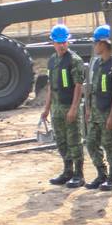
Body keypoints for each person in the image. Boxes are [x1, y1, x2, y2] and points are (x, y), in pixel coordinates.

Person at [40, 24, 85, 189]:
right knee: (61, 140)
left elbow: (78, 86)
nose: (62, 45)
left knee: (74, 140)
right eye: (59, 42)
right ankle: (68, 171)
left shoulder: (74, 61)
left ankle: (79, 174)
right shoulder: (52, 60)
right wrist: (46, 108)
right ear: (53, 43)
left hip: (69, 105)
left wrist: (74, 108)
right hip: (56, 107)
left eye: (64, 42)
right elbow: (51, 86)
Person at [84, 25, 112, 191]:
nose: (95, 46)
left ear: (104, 44)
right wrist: (88, 108)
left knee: (109, 144)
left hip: (107, 111)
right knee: (91, 142)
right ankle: (101, 174)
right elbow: (93, 88)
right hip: (96, 110)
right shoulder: (98, 63)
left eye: (96, 42)